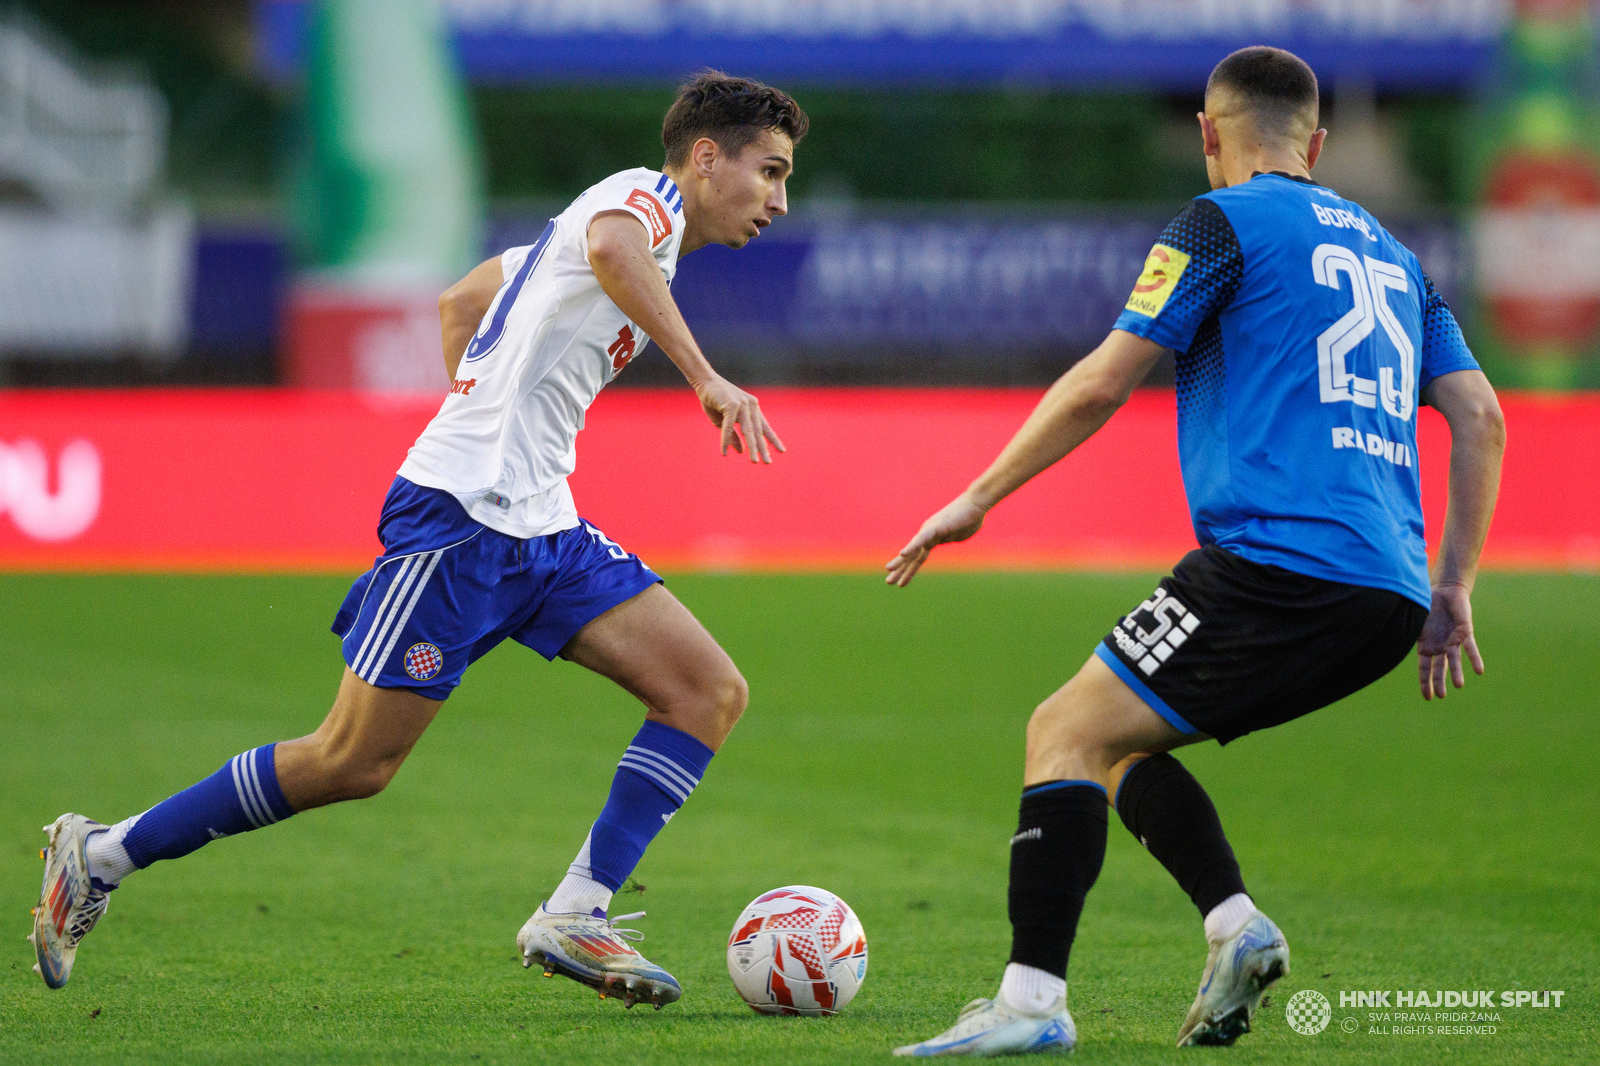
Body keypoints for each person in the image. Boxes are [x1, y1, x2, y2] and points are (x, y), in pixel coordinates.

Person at [32, 71, 808, 1011]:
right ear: (706, 157)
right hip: (461, 523)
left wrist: (485, 413)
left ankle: (576, 910)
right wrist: (702, 378)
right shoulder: (637, 202)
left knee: (706, 691)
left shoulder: (603, 235)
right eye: (770, 172)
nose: (779, 199)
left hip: (542, 527)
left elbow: (460, 302)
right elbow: (610, 248)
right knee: (350, 761)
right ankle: (103, 854)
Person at [887, 46, 1504, 1055]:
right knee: (1116, 740)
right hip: (1389, 597)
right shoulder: (1398, 258)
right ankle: (1233, 925)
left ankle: (1031, 1005)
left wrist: (976, 497)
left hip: (1276, 563)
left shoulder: (1218, 222)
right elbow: (1479, 416)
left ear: (1209, 132)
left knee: (1061, 731)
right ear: (1317, 143)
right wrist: (1456, 584)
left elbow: (1102, 380)